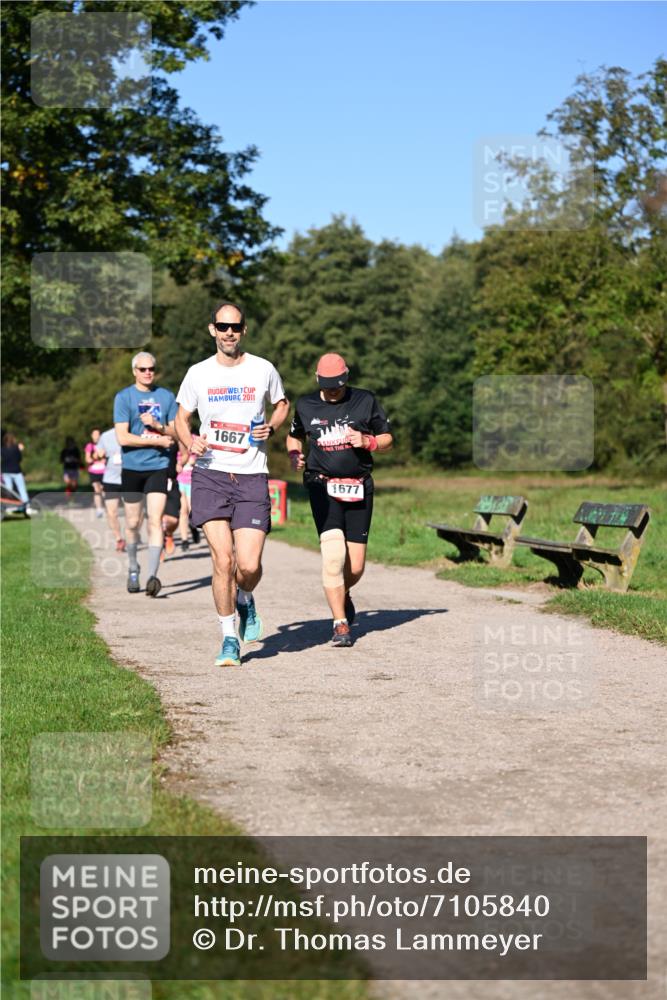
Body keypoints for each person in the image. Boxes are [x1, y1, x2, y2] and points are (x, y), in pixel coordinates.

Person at [174, 301, 289, 667]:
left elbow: (282, 404)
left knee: (249, 566)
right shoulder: (198, 373)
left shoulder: (262, 369)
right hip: (210, 474)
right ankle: (228, 638)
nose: (229, 333)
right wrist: (190, 441)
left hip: (252, 475)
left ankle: (245, 598)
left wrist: (272, 426)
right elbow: (181, 417)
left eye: (235, 327)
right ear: (212, 329)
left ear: (243, 330)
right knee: (223, 559)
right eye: (222, 326)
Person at [285, 353, 393, 647]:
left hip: (359, 486)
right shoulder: (306, 405)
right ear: (318, 380)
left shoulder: (365, 400)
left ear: (347, 378)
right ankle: (340, 623)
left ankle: (342, 591)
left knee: (355, 567)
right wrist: (294, 453)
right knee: (333, 556)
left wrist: (369, 441)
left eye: (338, 385)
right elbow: (294, 436)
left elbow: (387, 438)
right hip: (321, 485)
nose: (333, 390)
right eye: (327, 385)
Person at [113, 352, 177, 597]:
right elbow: (123, 437)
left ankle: (152, 576)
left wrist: (158, 426)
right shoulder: (124, 397)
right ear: (134, 371)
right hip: (132, 468)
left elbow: (176, 431)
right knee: (132, 523)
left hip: (158, 466)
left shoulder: (166, 396)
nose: (148, 372)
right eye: (143, 369)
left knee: (155, 520)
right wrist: (157, 441)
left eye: (151, 368)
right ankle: (133, 566)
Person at [96, 426, 126, 551]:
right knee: (111, 513)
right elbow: (98, 453)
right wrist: (99, 455)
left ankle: (132, 534)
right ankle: (119, 539)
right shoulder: (105, 435)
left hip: (130, 478)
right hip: (111, 480)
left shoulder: (133, 431)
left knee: (134, 513)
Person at [1, 431, 30, 505]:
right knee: (21, 489)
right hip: (16, 471)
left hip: (6, 471)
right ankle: (27, 505)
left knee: (9, 490)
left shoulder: (2, 449)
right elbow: (19, 459)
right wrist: (20, 450)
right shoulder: (16, 448)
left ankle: (8, 505)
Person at [85, 428, 106, 518]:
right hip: (93, 471)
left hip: (104, 471)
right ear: (92, 436)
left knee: (104, 490)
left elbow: (107, 457)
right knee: (97, 489)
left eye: (98, 434)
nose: (96, 436)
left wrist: (104, 459)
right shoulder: (90, 446)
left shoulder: (104, 445)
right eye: (94, 435)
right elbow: (87, 459)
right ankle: (99, 509)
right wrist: (94, 458)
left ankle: (106, 507)